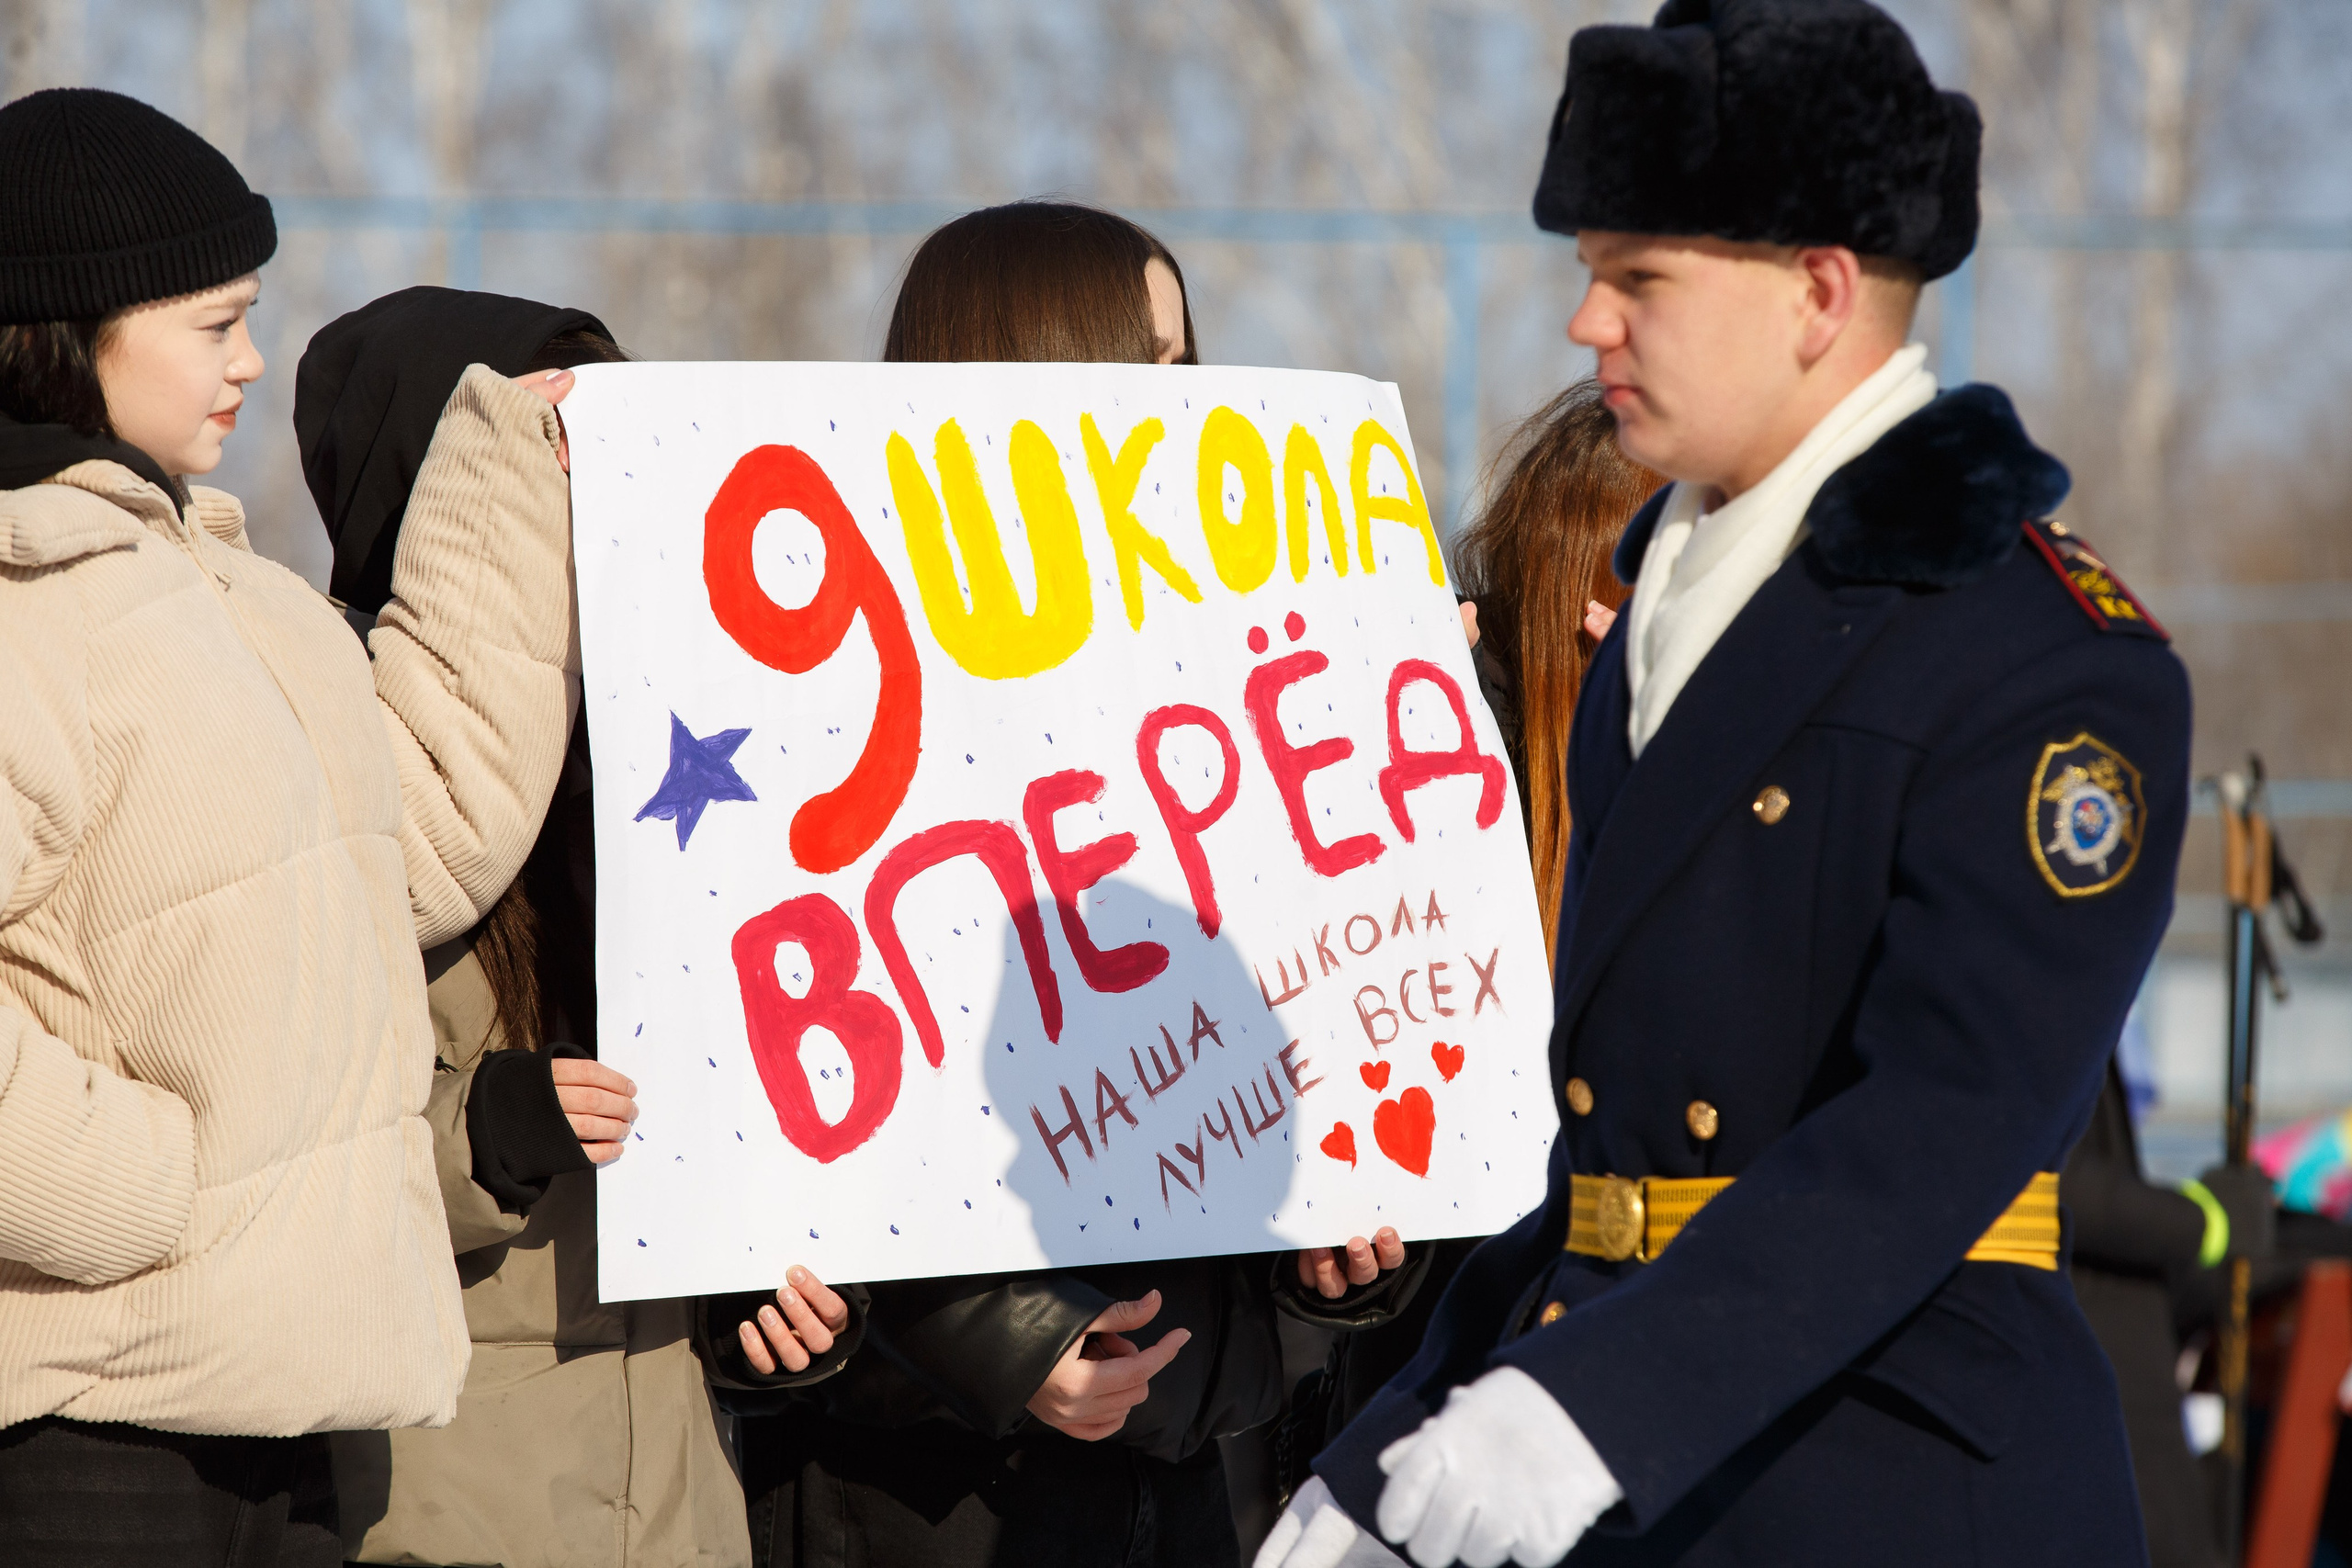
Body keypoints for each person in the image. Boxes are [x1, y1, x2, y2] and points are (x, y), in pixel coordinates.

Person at [1260, 2, 2193, 1563]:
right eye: (1587, 276)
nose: (1587, 325)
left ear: (1819, 295)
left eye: (1639, 279)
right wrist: (1390, 1449)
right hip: (1656, 1471)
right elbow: (1605, 1167)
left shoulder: (2040, 653)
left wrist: (1591, 1409)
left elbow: (1939, 1124)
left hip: (1891, 1486)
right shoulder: (1672, 611)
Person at [734, 199, 1429, 1568]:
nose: (1182, 408)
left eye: (1189, 368)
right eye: (1143, 368)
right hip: (913, 1508)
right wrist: (1012, 1343)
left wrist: (1319, 1274)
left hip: (1187, 1503)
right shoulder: (821, 705)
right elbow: (771, 1179)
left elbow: (1268, 1088)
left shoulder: (1240, 689)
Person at [0, 90, 571, 1564]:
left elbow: (426, 820)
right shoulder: (16, 618)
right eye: (212, 322)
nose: (251, 359)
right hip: (78, 1437)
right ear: (71, 326)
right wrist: (130, 1180)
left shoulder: (245, 599)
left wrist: (513, 456)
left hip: (307, 1428)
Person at [296, 287, 862, 1568]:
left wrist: (768, 1309)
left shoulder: (683, 774)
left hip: (676, 1496)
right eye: (554, 446)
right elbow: (261, 1155)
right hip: (437, 1495)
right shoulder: (338, 762)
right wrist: (483, 1133)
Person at [1271, 383, 1658, 1500]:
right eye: (1591, 598)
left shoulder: (1744, 789)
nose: (1611, 629)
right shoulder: (1451, 781)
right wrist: (1402, 714)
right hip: (1444, 1411)